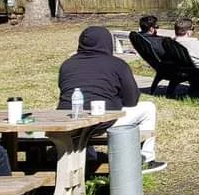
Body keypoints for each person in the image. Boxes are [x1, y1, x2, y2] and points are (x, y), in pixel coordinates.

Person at [58, 26, 165, 173]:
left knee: (83, 115)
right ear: (108, 43)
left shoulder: (67, 65)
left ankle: (89, 157)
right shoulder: (117, 64)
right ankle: (145, 158)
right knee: (148, 108)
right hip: (103, 121)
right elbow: (132, 100)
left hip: (70, 122)